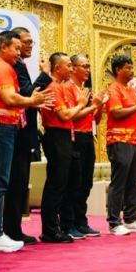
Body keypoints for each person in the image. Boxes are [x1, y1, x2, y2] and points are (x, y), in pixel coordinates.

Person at [0, 30, 52, 253]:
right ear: (3, 46)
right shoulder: (2, 68)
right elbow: (9, 98)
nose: (19, 53)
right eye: (16, 48)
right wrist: (32, 100)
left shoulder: (0, 66)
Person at [3, 27, 51, 245]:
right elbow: (27, 94)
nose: (30, 45)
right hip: (18, 131)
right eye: (26, 42)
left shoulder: (21, 65)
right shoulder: (14, 65)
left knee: (20, 183)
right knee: (16, 182)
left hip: (24, 131)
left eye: (32, 42)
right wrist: (45, 76)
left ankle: (14, 228)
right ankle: (12, 230)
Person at [39, 52, 89, 243]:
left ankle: (54, 227)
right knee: (56, 184)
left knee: (61, 184)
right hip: (56, 136)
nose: (71, 68)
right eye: (68, 65)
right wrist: (82, 104)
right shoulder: (53, 87)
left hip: (64, 136)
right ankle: (50, 230)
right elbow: (64, 116)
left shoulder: (60, 87)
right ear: (57, 67)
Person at [105, 55, 136, 235]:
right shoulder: (114, 89)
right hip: (119, 140)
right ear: (118, 70)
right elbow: (116, 113)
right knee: (119, 182)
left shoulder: (132, 91)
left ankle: (131, 218)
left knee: (133, 181)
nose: (132, 71)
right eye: (128, 68)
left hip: (134, 140)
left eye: (132, 67)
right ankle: (114, 222)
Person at [61, 54, 104, 239]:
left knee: (86, 183)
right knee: (74, 183)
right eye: (84, 66)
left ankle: (81, 221)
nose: (87, 69)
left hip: (88, 136)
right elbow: (74, 115)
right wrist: (91, 106)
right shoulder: (68, 88)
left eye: (88, 66)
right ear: (73, 68)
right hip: (74, 137)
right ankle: (68, 224)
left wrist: (99, 106)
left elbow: (97, 119)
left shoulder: (86, 90)